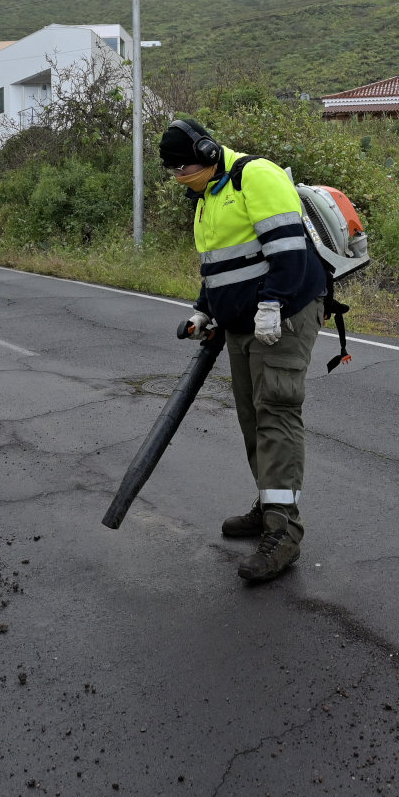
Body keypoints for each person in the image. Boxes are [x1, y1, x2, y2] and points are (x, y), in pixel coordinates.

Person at [161, 119, 327, 583]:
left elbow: (289, 250)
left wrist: (272, 304)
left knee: (275, 410)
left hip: (284, 315)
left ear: (210, 150)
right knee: (252, 416)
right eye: (173, 172)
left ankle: (284, 531)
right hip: (240, 323)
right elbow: (220, 264)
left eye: (185, 167)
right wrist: (203, 311)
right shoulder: (208, 196)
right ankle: (269, 503)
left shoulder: (257, 176)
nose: (180, 177)